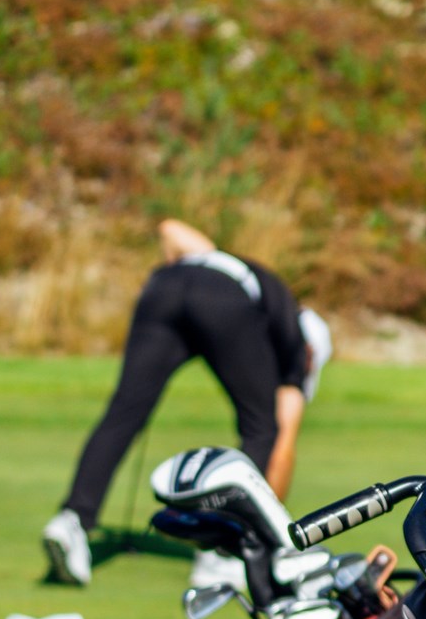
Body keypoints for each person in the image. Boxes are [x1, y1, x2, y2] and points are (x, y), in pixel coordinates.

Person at [41, 219, 332, 587]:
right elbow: (282, 443)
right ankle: (223, 553)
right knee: (262, 429)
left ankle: (71, 521)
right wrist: (274, 527)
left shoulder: (230, 265)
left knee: (125, 411)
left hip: (164, 287)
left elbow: (170, 229)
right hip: (225, 302)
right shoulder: (299, 348)